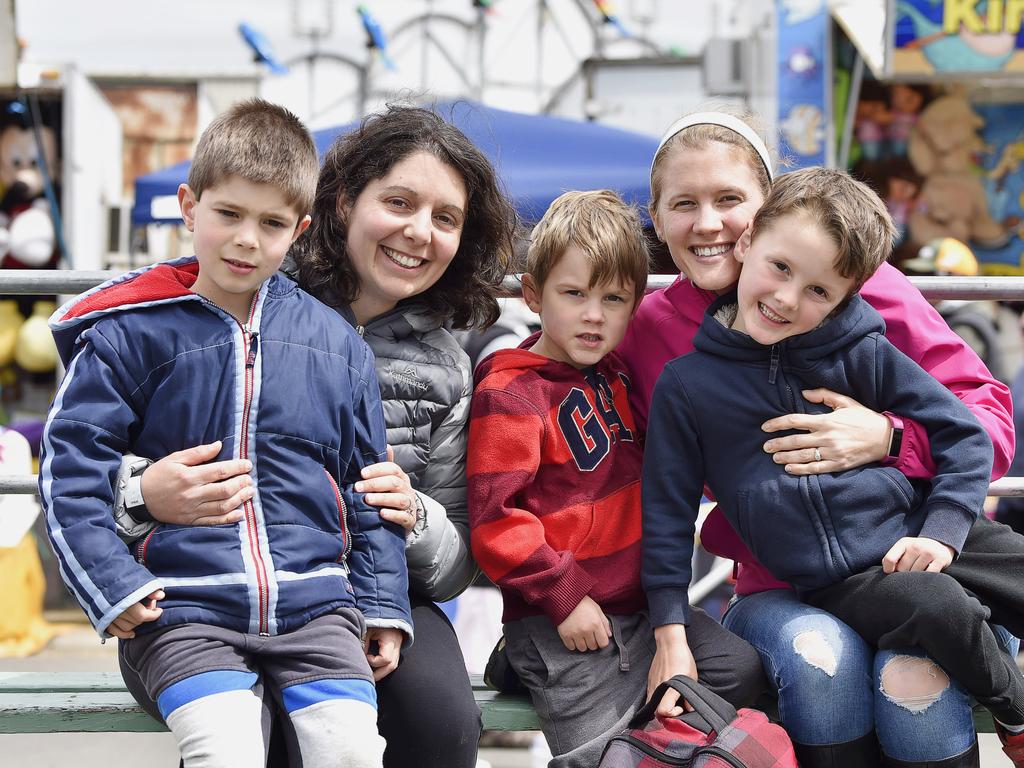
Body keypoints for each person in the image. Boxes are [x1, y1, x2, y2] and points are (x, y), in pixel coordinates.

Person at [110, 103, 517, 768]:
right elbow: (87, 466)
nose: (419, 231)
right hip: (208, 587)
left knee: (440, 721)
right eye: (399, 202)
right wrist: (144, 493)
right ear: (343, 203)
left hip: (375, 595)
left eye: (445, 218)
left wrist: (412, 515)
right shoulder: (242, 299)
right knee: (262, 723)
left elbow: (456, 568)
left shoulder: (447, 364)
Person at [615, 110, 1017, 768]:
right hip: (776, 581)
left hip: (901, 549)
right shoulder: (650, 332)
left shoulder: (858, 286)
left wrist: (887, 438)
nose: (709, 224)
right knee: (821, 665)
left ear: (766, 208)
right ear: (657, 217)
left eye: (729, 200)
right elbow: (639, 475)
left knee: (913, 677)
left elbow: (984, 419)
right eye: (684, 204)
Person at [40, 99, 411, 767]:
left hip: (316, 607)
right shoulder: (129, 333)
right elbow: (69, 471)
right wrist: (111, 585)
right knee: (227, 749)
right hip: (180, 612)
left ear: (298, 230)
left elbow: (370, 489)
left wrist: (382, 603)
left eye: (270, 223)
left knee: (352, 751)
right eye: (228, 214)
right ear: (189, 206)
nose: (246, 239)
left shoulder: (335, 343)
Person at [467, 190, 766, 768]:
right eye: (573, 294)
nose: (594, 315)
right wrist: (563, 596)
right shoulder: (511, 392)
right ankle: (523, 658)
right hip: (566, 616)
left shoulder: (619, 377)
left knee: (741, 670)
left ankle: (653, 743)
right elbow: (496, 519)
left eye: (614, 299)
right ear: (533, 294)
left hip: (641, 609)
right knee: (599, 756)